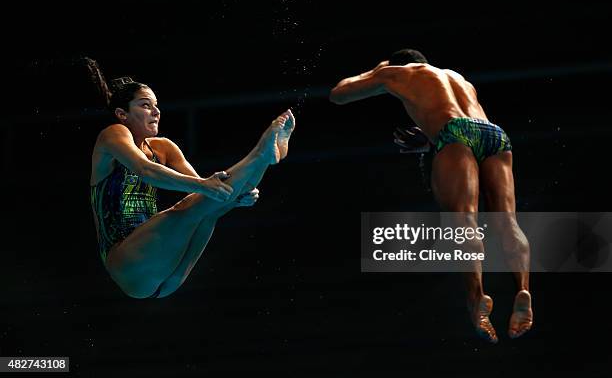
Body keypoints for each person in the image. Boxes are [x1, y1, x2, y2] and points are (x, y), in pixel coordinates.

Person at [329, 49, 532, 343]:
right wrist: (429, 141)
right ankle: (523, 289)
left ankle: (476, 299)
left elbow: (338, 94)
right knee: (508, 221)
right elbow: (461, 120)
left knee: (464, 218)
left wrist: (376, 70)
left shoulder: (396, 72)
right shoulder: (457, 78)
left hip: (454, 134)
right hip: (494, 134)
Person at [86, 58, 295, 299]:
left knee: (209, 209)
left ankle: (264, 159)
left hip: (166, 276)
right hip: (127, 263)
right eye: (145, 105)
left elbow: (206, 192)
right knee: (188, 207)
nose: (156, 111)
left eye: (156, 105)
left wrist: (236, 197)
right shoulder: (112, 134)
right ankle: (260, 155)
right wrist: (209, 187)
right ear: (122, 114)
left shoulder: (164, 147)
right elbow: (146, 170)